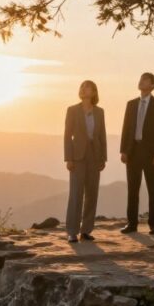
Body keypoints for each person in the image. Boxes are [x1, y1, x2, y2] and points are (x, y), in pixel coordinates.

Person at [119, 72, 154, 234]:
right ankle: (131, 223)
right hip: (133, 151)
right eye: (140, 79)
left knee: (153, 189)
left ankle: (153, 224)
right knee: (132, 189)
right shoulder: (131, 104)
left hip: (151, 153)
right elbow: (126, 128)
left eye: (145, 80)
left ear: (152, 85)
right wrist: (123, 150)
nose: (141, 81)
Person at [64, 80, 107, 243]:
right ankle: (72, 231)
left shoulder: (99, 112)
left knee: (92, 193)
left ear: (94, 92)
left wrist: (103, 157)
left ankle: (86, 230)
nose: (83, 89)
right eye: (81, 87)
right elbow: (67, 135)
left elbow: (102, 134)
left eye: (86, 87)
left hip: (95, 156)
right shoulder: (72, 110)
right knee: (76, 193)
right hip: (77, 156)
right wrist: (68, 158)